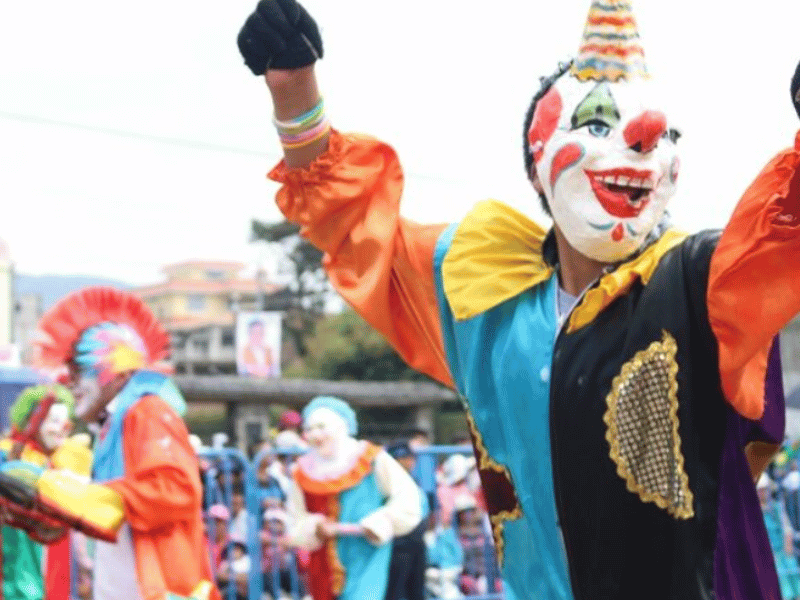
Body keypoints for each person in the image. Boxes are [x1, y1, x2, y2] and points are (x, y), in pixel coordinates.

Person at [237, 0, 800, 597]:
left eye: (663, 134)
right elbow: (351, 223)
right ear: (537, 163)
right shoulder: (482, 293)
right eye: (598, 123)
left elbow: (782, 237)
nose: (642, 142)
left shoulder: (696, 278)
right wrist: (295, 94)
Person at [32, 287, 218, 600]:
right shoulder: (109, 426)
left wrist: (89, 496)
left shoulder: (147, 411)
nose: (71, 383)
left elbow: (176, 489)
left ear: (117, 373)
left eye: (80, 371)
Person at [284, 396, 422, 600]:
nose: (315, 434)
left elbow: (407, 498)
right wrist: (315, 527)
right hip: (322, 561)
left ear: (342, 426)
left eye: (322, 426)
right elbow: (294, 517)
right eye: (310, 428)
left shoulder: (372, 459)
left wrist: (376, 524)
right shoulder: (302, 471)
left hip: (367, 552)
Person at [0, 384, 91, 600]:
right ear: (33, 421)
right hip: (20, 581)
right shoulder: (10, 456)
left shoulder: (63, 463)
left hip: (57, 577)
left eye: (65, 423)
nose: (61, 430)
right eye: (53, 422)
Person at [384, 440, 428, 600]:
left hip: (417, 539)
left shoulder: (414, 482)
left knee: (416, 590)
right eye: (401, 457)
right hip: (397, 542)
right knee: (395, 591)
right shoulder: (384, 484)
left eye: (410, 457)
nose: (408, 461)